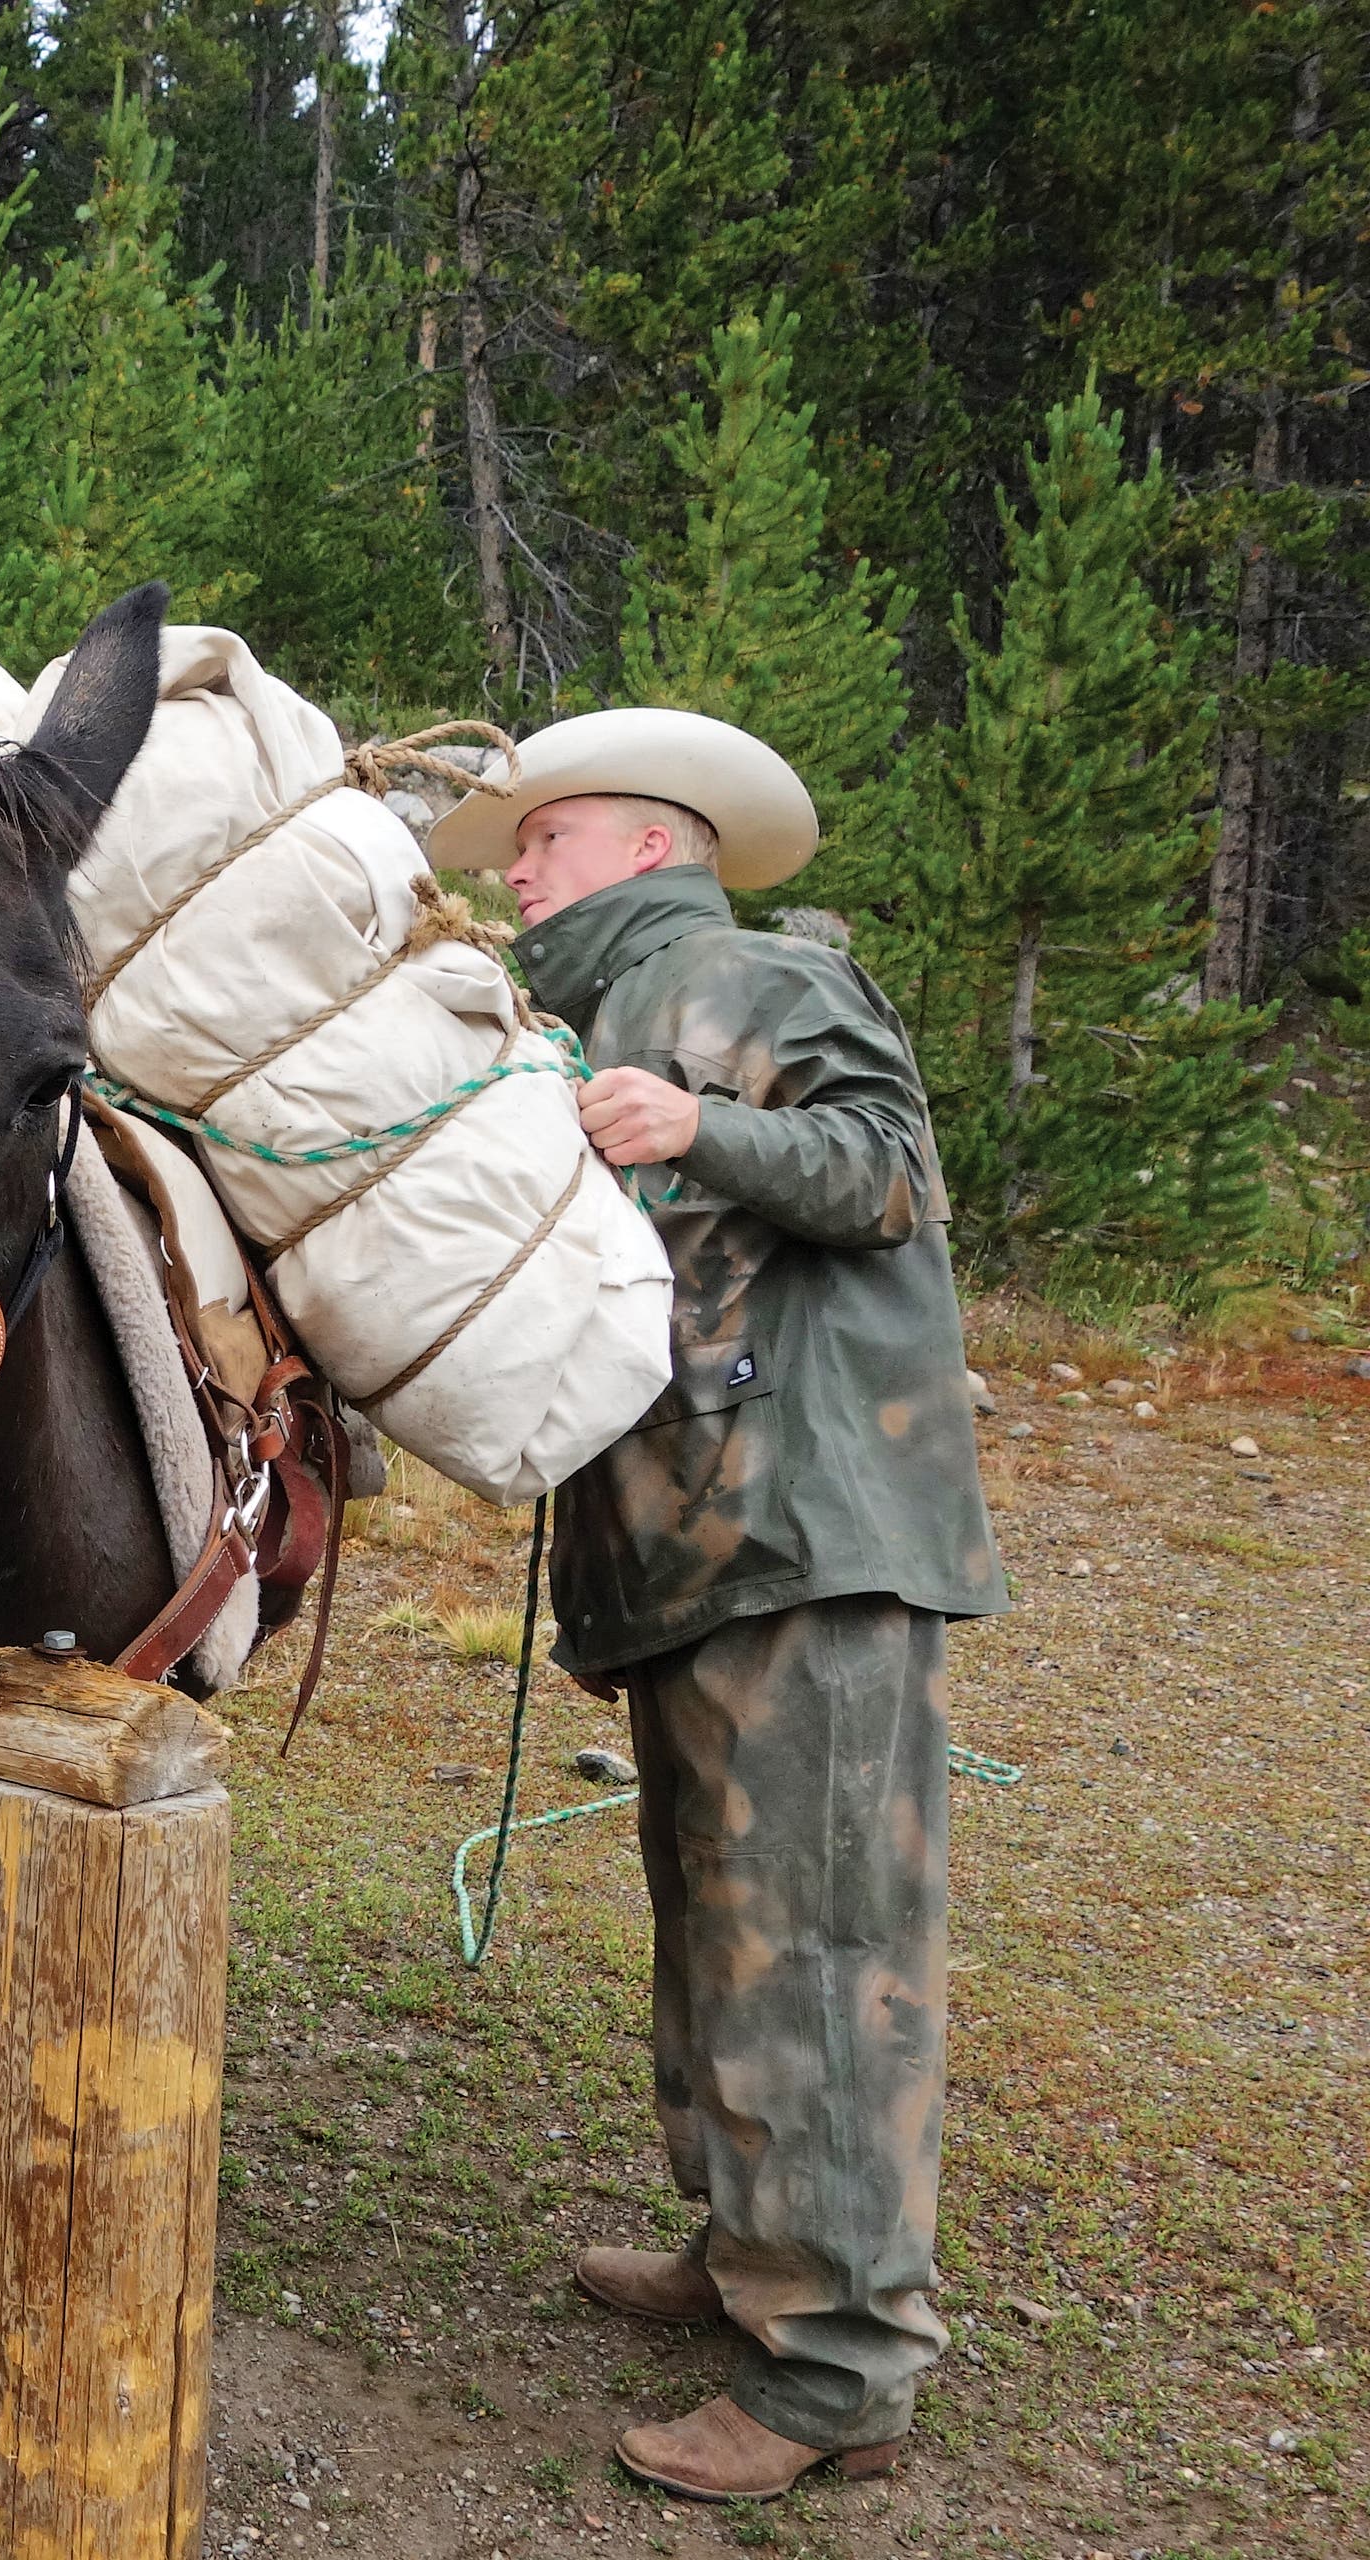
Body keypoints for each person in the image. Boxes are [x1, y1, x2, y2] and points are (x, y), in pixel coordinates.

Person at [434, 710, 1006, 2503]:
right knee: (718, 1929)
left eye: (546, 838)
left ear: (648, 846)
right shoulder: (576, 1024)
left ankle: (835, 2366)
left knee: (817, 1952)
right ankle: (748, 2250)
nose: (515, 870)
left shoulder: (749, 975)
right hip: (699, 1550)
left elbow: (886, 1171)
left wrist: (700, 1124)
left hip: (815, 1537)